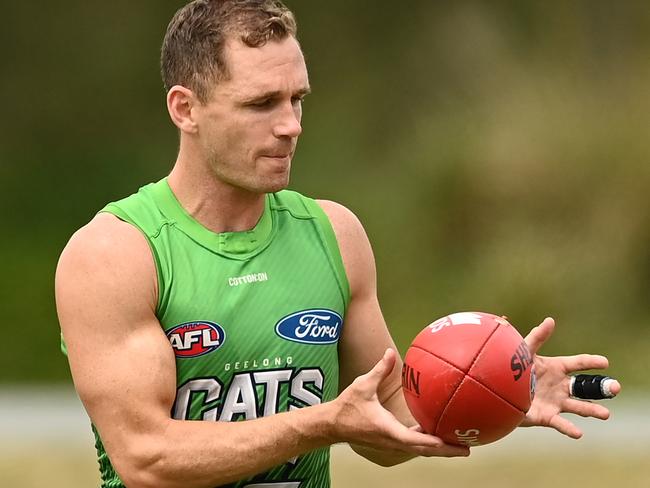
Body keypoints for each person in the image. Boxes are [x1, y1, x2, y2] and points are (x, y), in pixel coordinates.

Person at [55, 1, 620, 487]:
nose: (291, 125)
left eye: (297, 99)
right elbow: (145, 460)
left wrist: (496, 388)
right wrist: (320, 424)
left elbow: (391, 425)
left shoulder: (335, 234)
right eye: (262, 104)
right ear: (186, 109)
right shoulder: (116, 254)